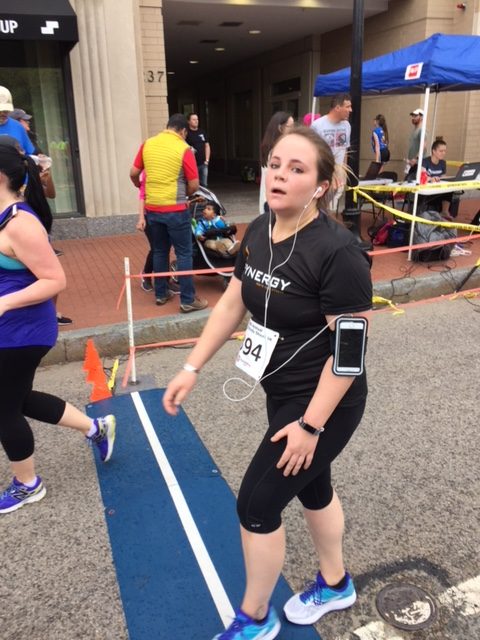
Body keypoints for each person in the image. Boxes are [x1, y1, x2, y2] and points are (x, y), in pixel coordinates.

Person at [163, 126, 372, 640]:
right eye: (275, 164)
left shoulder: (339, 252)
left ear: (320, 186)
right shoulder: (259, 229)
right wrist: (191, 367)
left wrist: (310, 426)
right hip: (281, 391)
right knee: (312, 486)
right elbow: (233, 302)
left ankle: (255, 618)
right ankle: (336, 583)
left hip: (325, 402)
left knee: (256, 505)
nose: (279, 175)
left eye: (297, 169)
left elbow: (349, 356)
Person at [0, 143, 116, 514]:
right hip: (10, 329)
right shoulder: (4, 216)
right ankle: (95, 428)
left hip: (22, 331)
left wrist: (4, 303)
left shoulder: (21, 224)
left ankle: (27, 484)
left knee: (4, 408)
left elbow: (55, 280)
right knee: (18, 398)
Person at [130, 114, 207, 312]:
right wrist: (184, 195)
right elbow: (194, 184)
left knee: (159, 251)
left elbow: (133, 173)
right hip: (176, 210)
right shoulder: (183, 148)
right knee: (184, 253)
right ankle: (188, 299)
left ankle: (161, 294)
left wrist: (140, 186)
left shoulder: (147, 144)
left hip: (152, 209)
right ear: (183, 131)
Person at [311, 94, 352, 213]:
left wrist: (343, 172)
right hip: (323, 172)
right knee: (318, 205)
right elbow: (311, 152)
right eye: (347, 106)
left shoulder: (347, 125)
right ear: (338, 107)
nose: (350, 110)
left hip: (338, 173)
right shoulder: (317, 125)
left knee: (331, 207)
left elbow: (345, 150)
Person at [10, 107, 55, 199]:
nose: (28, 123)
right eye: (24, 120)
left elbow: (50, 194)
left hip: (33, 192)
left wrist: (45, 170)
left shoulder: (30, 140)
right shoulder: (10, 144)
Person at [259, 112, 294, 215]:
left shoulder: (269, 148)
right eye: (290, 126)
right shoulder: (279, 150)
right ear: (280, 128)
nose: (293, 130)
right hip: (275, 199)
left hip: (269, 198)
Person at [0, 87, 35, 155]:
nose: (3, 113)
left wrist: (38, 159)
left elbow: (29, 153)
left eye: (6, 110)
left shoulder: (17, 126)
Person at [186, 113, 210, 188]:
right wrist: (190, 148)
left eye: (197, 119)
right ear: (188, 121)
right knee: (194, 185)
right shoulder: (186, 133)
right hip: (192, 165)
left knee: (204, 185)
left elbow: (207, 146)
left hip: (203, 164)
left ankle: (203, 197)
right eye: (193, 119)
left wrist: (207, 160)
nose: (196, 121)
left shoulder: (202, 132)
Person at [404, 108, 426, 177]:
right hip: (411, 163)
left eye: (415, 116)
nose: (413, 118)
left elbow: (423, 146)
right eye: (412, 116)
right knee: (407, 180)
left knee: (413, 180)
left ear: (421, 117)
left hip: (418, 164)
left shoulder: (422, 130)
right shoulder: (415, 130)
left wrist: (416, 159)